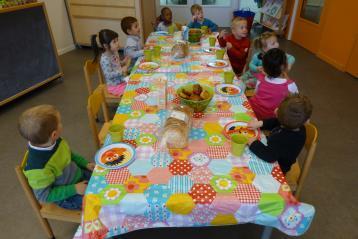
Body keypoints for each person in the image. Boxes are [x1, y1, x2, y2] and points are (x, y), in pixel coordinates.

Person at [18, 105, 95, 210]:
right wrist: (75, 189)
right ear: (54, 134)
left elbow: (69, 154)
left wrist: (85, 163)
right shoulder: (38, 169)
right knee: (98, 202)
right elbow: (44, 196)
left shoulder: (54, 141)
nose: (61, 124)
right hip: (67, 196)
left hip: (77, 175)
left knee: (105, 178)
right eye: (60, 123)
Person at [247, 94, 313, 175]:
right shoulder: (294, 125)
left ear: (277, 113)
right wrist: (260, 123)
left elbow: (269, 156)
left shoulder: (283, 138)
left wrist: (253, 143)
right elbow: (275, 122)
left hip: (278, 168)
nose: (276, 109)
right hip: (274, 150)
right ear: (307, 121)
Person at [249, 48, 299, 120]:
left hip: (254, 112)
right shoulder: (290, 85)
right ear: (284, 66)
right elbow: (297, 101)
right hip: (271, 120)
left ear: (264, 68)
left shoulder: (260, 79)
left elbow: (255, 93)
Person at [91, 29, 131, 96]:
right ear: (106, 46)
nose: (117, 43)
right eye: (114, 42)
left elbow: (116, 65)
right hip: (114, 86)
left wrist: (123, 62)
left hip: (122, 80)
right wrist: (121, 71)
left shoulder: (114, 52)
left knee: (135, 84)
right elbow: (108, 75)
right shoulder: (104, 59)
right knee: (130, 92)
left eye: (117, 40)